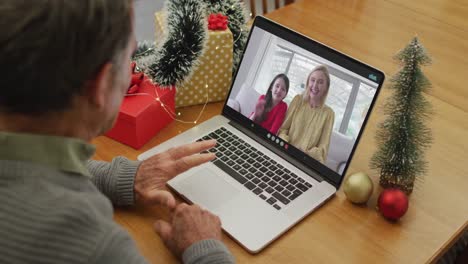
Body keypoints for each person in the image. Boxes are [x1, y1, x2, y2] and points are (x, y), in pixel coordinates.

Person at [0, 1, 234, 263]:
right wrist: (205, 248)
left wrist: (123, 177)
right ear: (100, 85)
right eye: (130, 58)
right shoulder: (97, 246)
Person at [278, 65, 335, 163]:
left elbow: (322, 150)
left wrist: (305, 153)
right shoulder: (297, 100)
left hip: (306, 161)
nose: (315, 85)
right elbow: (283, 129)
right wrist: (288, 147)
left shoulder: (329, 114)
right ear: (308, 82)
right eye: (312, 80)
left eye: (320, 82)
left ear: (326, 87)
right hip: (285, 153)